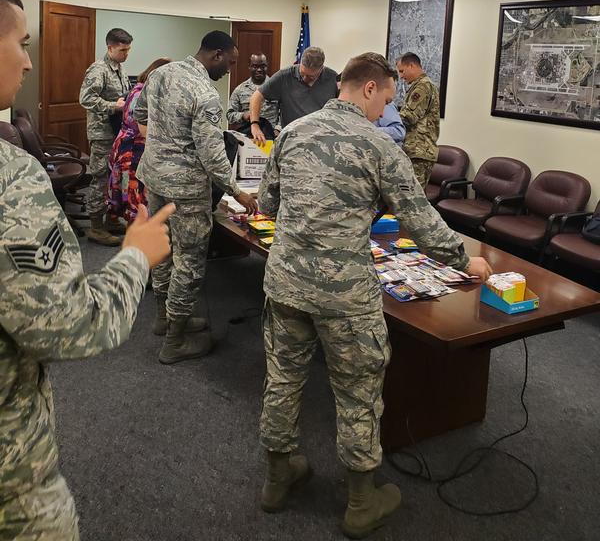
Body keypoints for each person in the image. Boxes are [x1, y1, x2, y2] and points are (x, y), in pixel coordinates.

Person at [256, 52, 491, 538]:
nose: (387, 109)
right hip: (346, 296)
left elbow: (268, 204)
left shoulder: (294, 132)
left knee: (282, 380)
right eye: (386, 98)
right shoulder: (381, 147)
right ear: (369, 88)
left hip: (285, 282)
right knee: (358, 392)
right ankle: (361, 501)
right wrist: (466, 261)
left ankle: (278, 478)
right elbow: (420, 220)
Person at [0, 0, 174, 541]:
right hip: (13, 476)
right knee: (102, 186)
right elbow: (69, 324)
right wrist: (135, 259)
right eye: (21, 44)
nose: (29, 60)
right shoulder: (10, 178)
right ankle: (102, 228)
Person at [134, 30, 258, 364]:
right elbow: (212, 153)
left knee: (162, 250)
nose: (229, 70)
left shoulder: (161, 72)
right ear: (216, 54)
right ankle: (175, 342)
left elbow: (138, 113)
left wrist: (165, 139)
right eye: (229, 62)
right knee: (189, 262)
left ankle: (165, 318)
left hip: (155, 178)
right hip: (186, 189)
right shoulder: (205, 93)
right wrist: (237, 191)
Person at [79, 27, 133, 246]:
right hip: (102, 133)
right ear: (110, 47)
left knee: (114, 178)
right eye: (122, 50)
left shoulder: (117, 68)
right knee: (100, 178)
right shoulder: (98, 69)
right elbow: (85, 98)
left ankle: (110, 219)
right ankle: (96, 227)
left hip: (115, 132)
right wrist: (114, 106)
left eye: (128, 50)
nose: (126, 54)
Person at [107, 57, 171, 224]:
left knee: (135, 204)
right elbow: (142, 129)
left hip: (130, 148)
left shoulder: (140, 90)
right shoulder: (141, 94)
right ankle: (135, 246)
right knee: (136, 205)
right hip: (132, 152)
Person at [249, 46, 337, 145]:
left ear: (321, 69)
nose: (304, 78)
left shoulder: (333, 79)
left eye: (311, 77)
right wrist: (254, 125)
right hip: (291, 141)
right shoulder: (285, 76)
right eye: (302, 73)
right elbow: (256, 96)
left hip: (322, 141)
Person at [396, 52, 440, 190]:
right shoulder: (420, 85)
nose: (401, 76)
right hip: (416, 150)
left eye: (402, 71)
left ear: (411, 65)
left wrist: (385, 119)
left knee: (413, 197)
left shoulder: (422, 86)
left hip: (419, 151)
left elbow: (408, 117)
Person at [226, 52, 279, 139]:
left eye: (263, 66)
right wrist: (243, 115)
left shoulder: (276, 88)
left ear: (267, 66)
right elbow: (230, 115)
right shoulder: (240, 90)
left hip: (271, 136)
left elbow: (285, 112)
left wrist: (278, 130)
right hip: (248, 137)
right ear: (249, 67)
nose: (259, 70)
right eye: (255, 66)